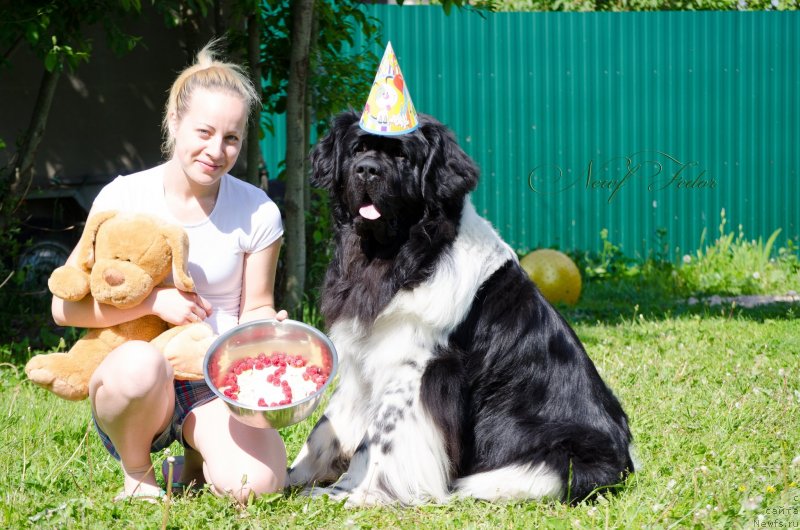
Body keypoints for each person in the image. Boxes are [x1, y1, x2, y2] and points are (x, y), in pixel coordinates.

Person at [51, 40, 288, 504]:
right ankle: (138, 472)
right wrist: (153, 302)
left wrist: (267, 330)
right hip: (137, 381)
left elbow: (257, 305)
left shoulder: (258, 210)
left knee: (255, 486)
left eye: (232, 137)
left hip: (213, 380)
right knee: (142, 364)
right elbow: (64, 308)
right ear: (174, 122)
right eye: (204, 132)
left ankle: (196, 462)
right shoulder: (123, 196)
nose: (216, 150)